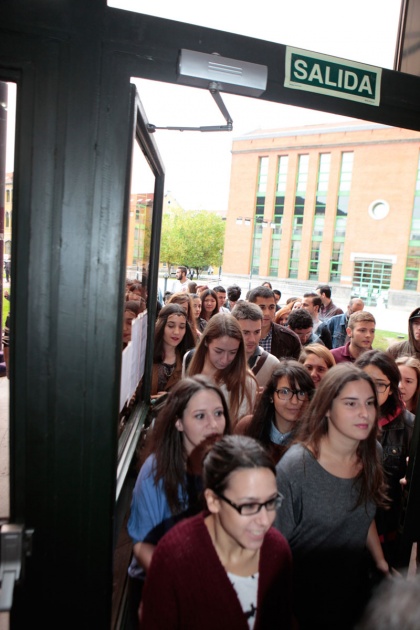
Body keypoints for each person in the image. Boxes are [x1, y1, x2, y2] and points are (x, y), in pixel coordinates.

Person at [275, 363, 389, 630]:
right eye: (351, 403)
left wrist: (381, 562)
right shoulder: (296, 467)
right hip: (303, 604)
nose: (364, 413)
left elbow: (363, 511)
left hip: (353, 594)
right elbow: (273, 547)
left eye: (370, 402)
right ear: (326, 408)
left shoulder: (374, 453)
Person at [140, 435, 293, 630]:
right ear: (213, 500)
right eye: (248, 505)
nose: (265, 520)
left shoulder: (277, 552)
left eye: (270, 502)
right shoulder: (174, 558)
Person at [127, 377, 230, 622]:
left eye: (218, 413)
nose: (213, 424)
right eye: (200, 416)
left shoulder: (229, 464)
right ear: (178, 423)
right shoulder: (156, 471)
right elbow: (142, 546)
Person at [355, 349, 414, 567]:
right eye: (364, 381)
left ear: (390, 389)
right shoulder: (341, 419)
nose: (370, 390)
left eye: (379, 384)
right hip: (347, 531)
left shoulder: (410, 428)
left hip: (387, 533)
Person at [235, 361, 314, 464]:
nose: (294, 401)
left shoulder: (314, 437)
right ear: (271, 396)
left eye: (301, 393)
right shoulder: (247, 427)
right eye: (285, 392)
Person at [185, 313, 258, 424]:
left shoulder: (246, 382)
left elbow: (239, 431)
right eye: (218, 351)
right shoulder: (189, 359)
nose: (225, 360)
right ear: (206, 341)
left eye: (232, 352)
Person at [231, 301, 280, 392]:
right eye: (245, 333)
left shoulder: (272, 364)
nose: (252, 339)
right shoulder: (221, 359)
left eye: (257, 332)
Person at [151, 303, 196, 398]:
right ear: (161, 326)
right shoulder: (145, 355)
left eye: (182, 327)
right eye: (171, 326)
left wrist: (172, 397)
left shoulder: (189, 358)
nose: (176, 332)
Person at [248, 286, 301, 361]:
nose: (267, 313)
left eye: (271, 307)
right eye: (262, 308)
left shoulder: (290, 339)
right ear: (250, 307)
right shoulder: (238, 336)